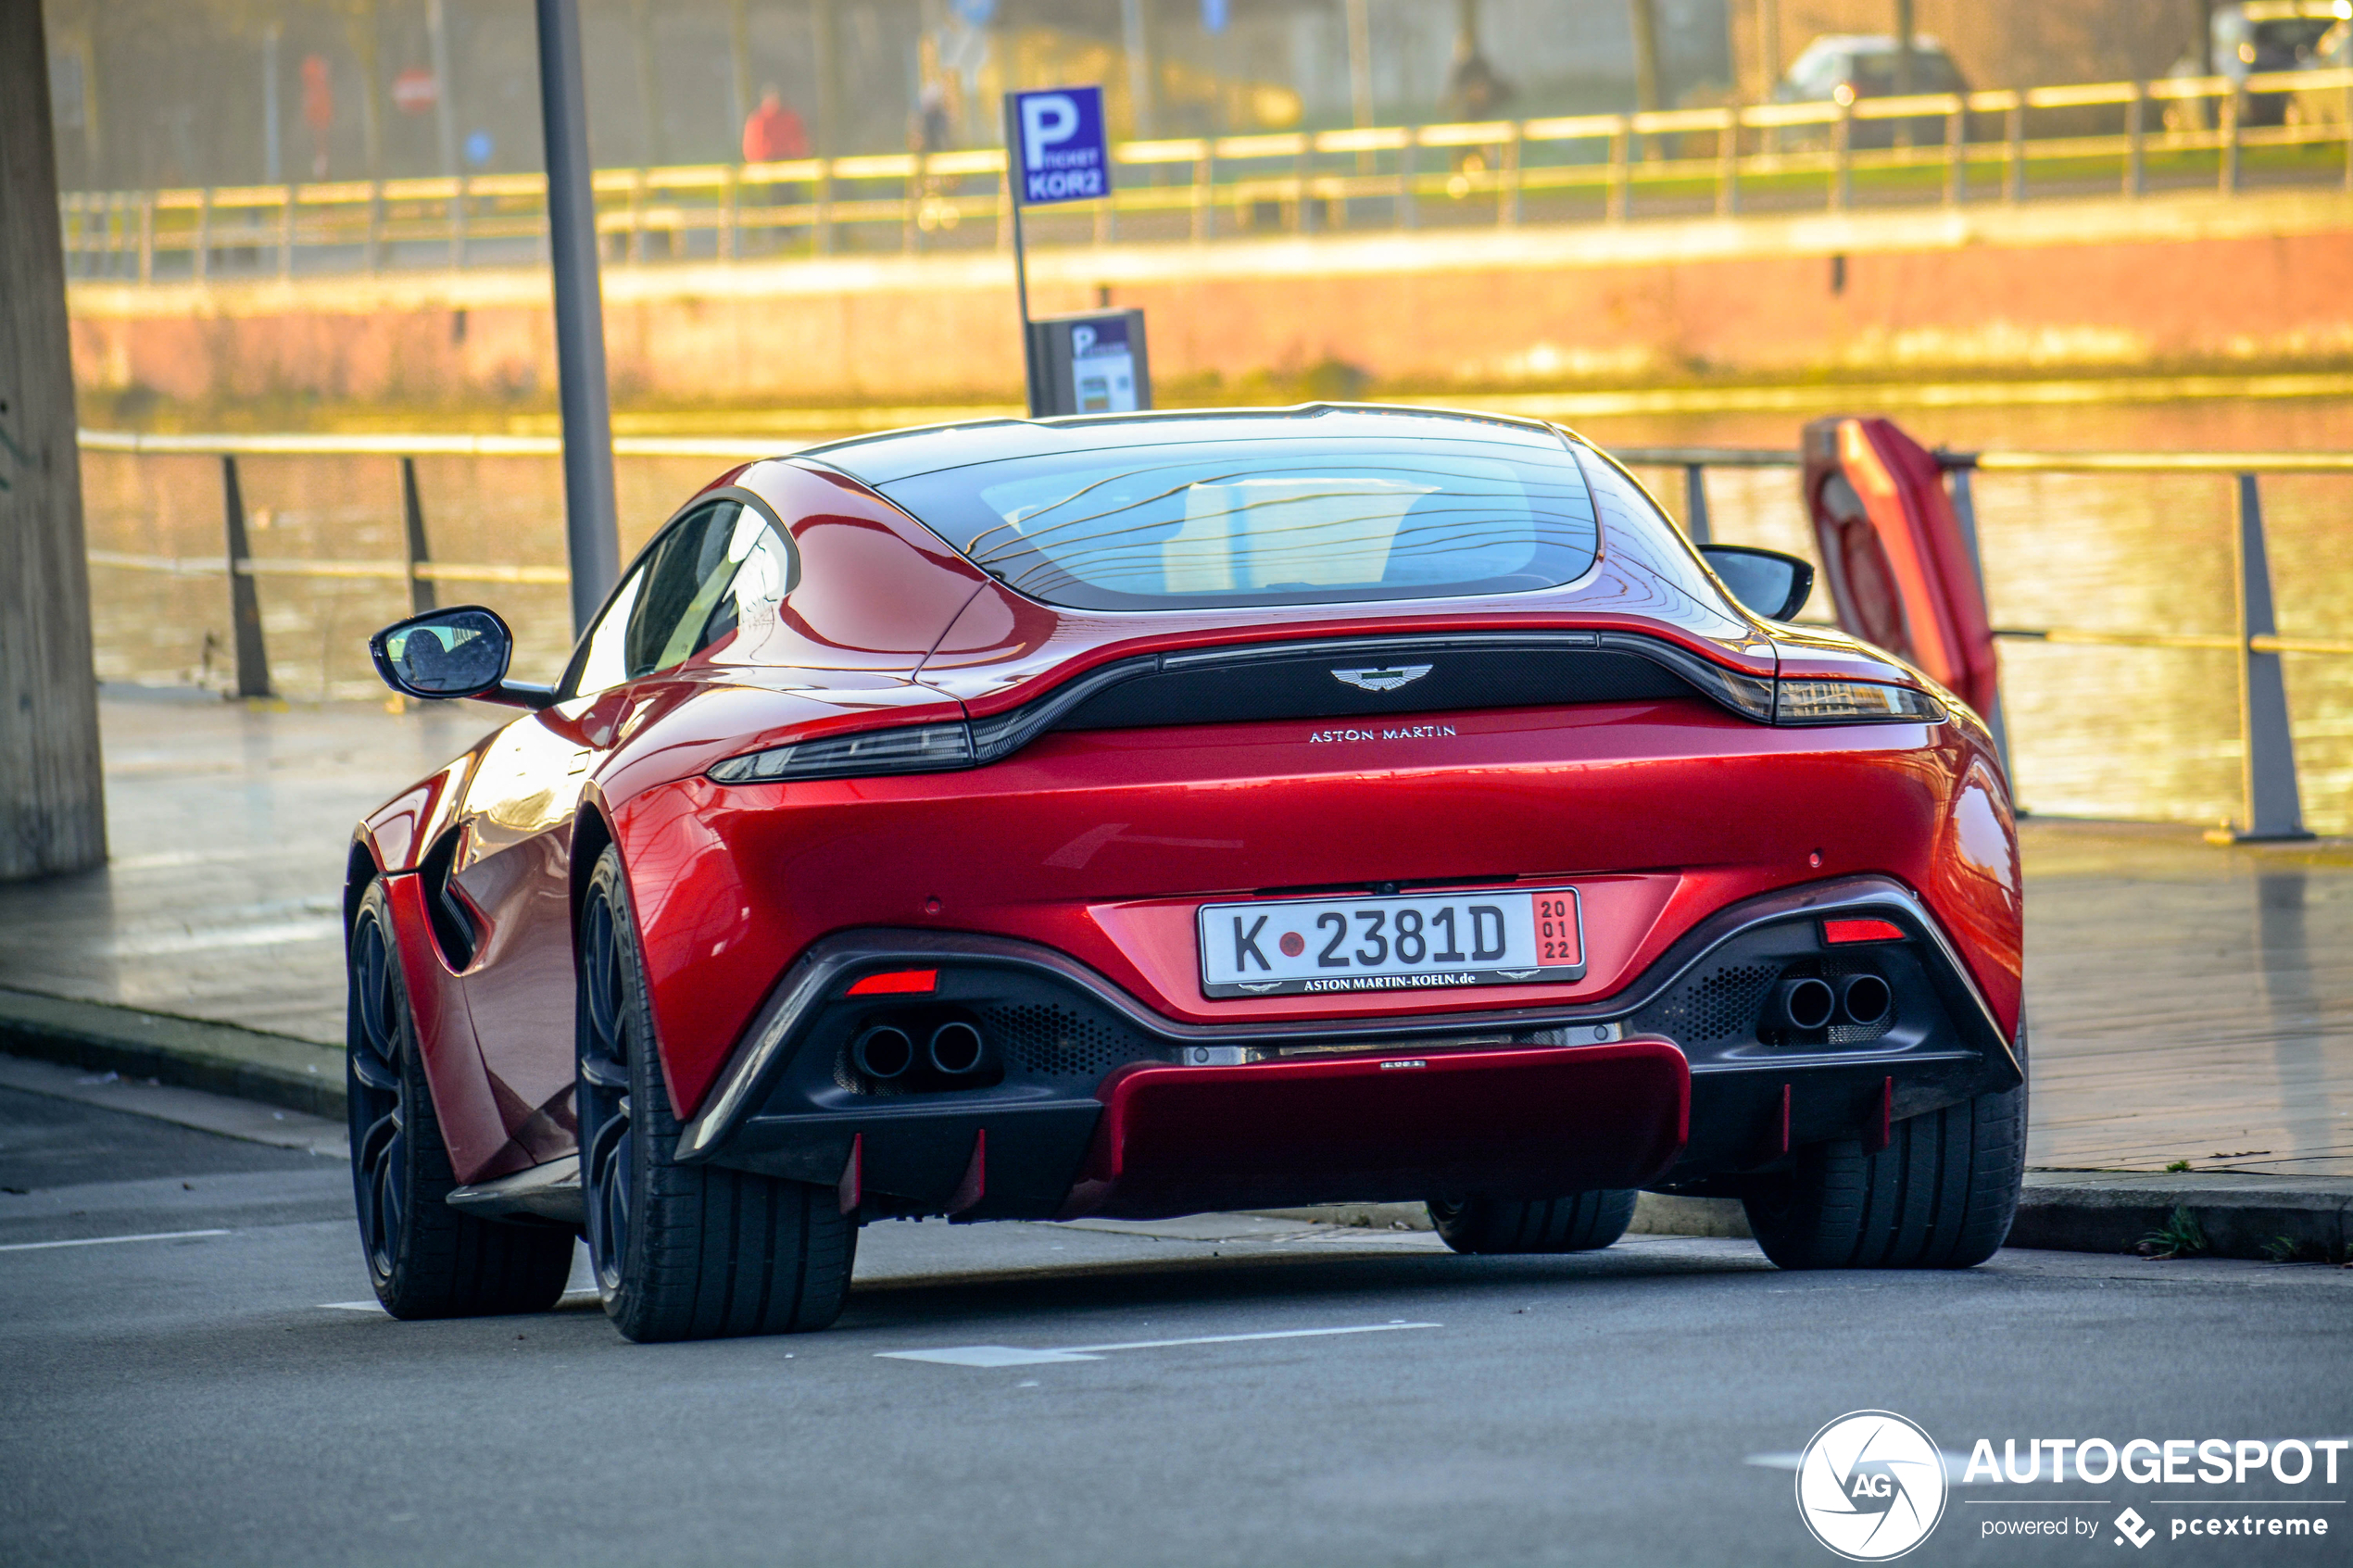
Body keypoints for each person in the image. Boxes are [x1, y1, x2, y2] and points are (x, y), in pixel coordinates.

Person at [742, 85, 808, 163]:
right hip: (764, 165)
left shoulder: (790, 119)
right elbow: (752, 149)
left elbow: (800, 144)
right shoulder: (758, 121)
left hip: (789, 163)